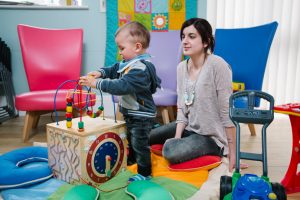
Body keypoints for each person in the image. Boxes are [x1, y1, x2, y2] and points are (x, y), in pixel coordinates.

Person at [150, 17, 236, 175]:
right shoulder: (181, 67)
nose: (184, 41)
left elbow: (227, 112)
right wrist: (177, 137)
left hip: (211, 138)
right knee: (150, 136)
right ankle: (179, 142)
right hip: (189, 128)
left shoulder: (218, 65)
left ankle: (209, 149)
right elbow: (182, 107)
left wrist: (233, 153)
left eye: (191, 36)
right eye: (183, 36)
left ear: (206, 42)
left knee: (170, 151)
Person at [79, 21, 161, 183]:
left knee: (139, 143)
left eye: (122, 48)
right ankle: (132, 161)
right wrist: (100, 73)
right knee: (130, 139)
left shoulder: (140, 69)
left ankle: (145, 173)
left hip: (142, 115)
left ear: (137, 47)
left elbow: (121, 86)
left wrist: (96, 84)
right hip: (131, 112)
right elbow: (115, 68)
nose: (119, 52)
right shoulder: (129, 63)